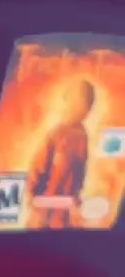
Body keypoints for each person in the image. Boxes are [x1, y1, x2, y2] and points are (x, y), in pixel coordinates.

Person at [28, 78, 96, 230]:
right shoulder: (56, 134)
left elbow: (81, 170)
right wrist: (34, 202)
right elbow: (36, 170)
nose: (84, 110)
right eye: (79, 103)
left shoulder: (83, 136)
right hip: (46, 206)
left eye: (88, 106)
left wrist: (77, 198)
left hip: (65, 210)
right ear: (68, 102)